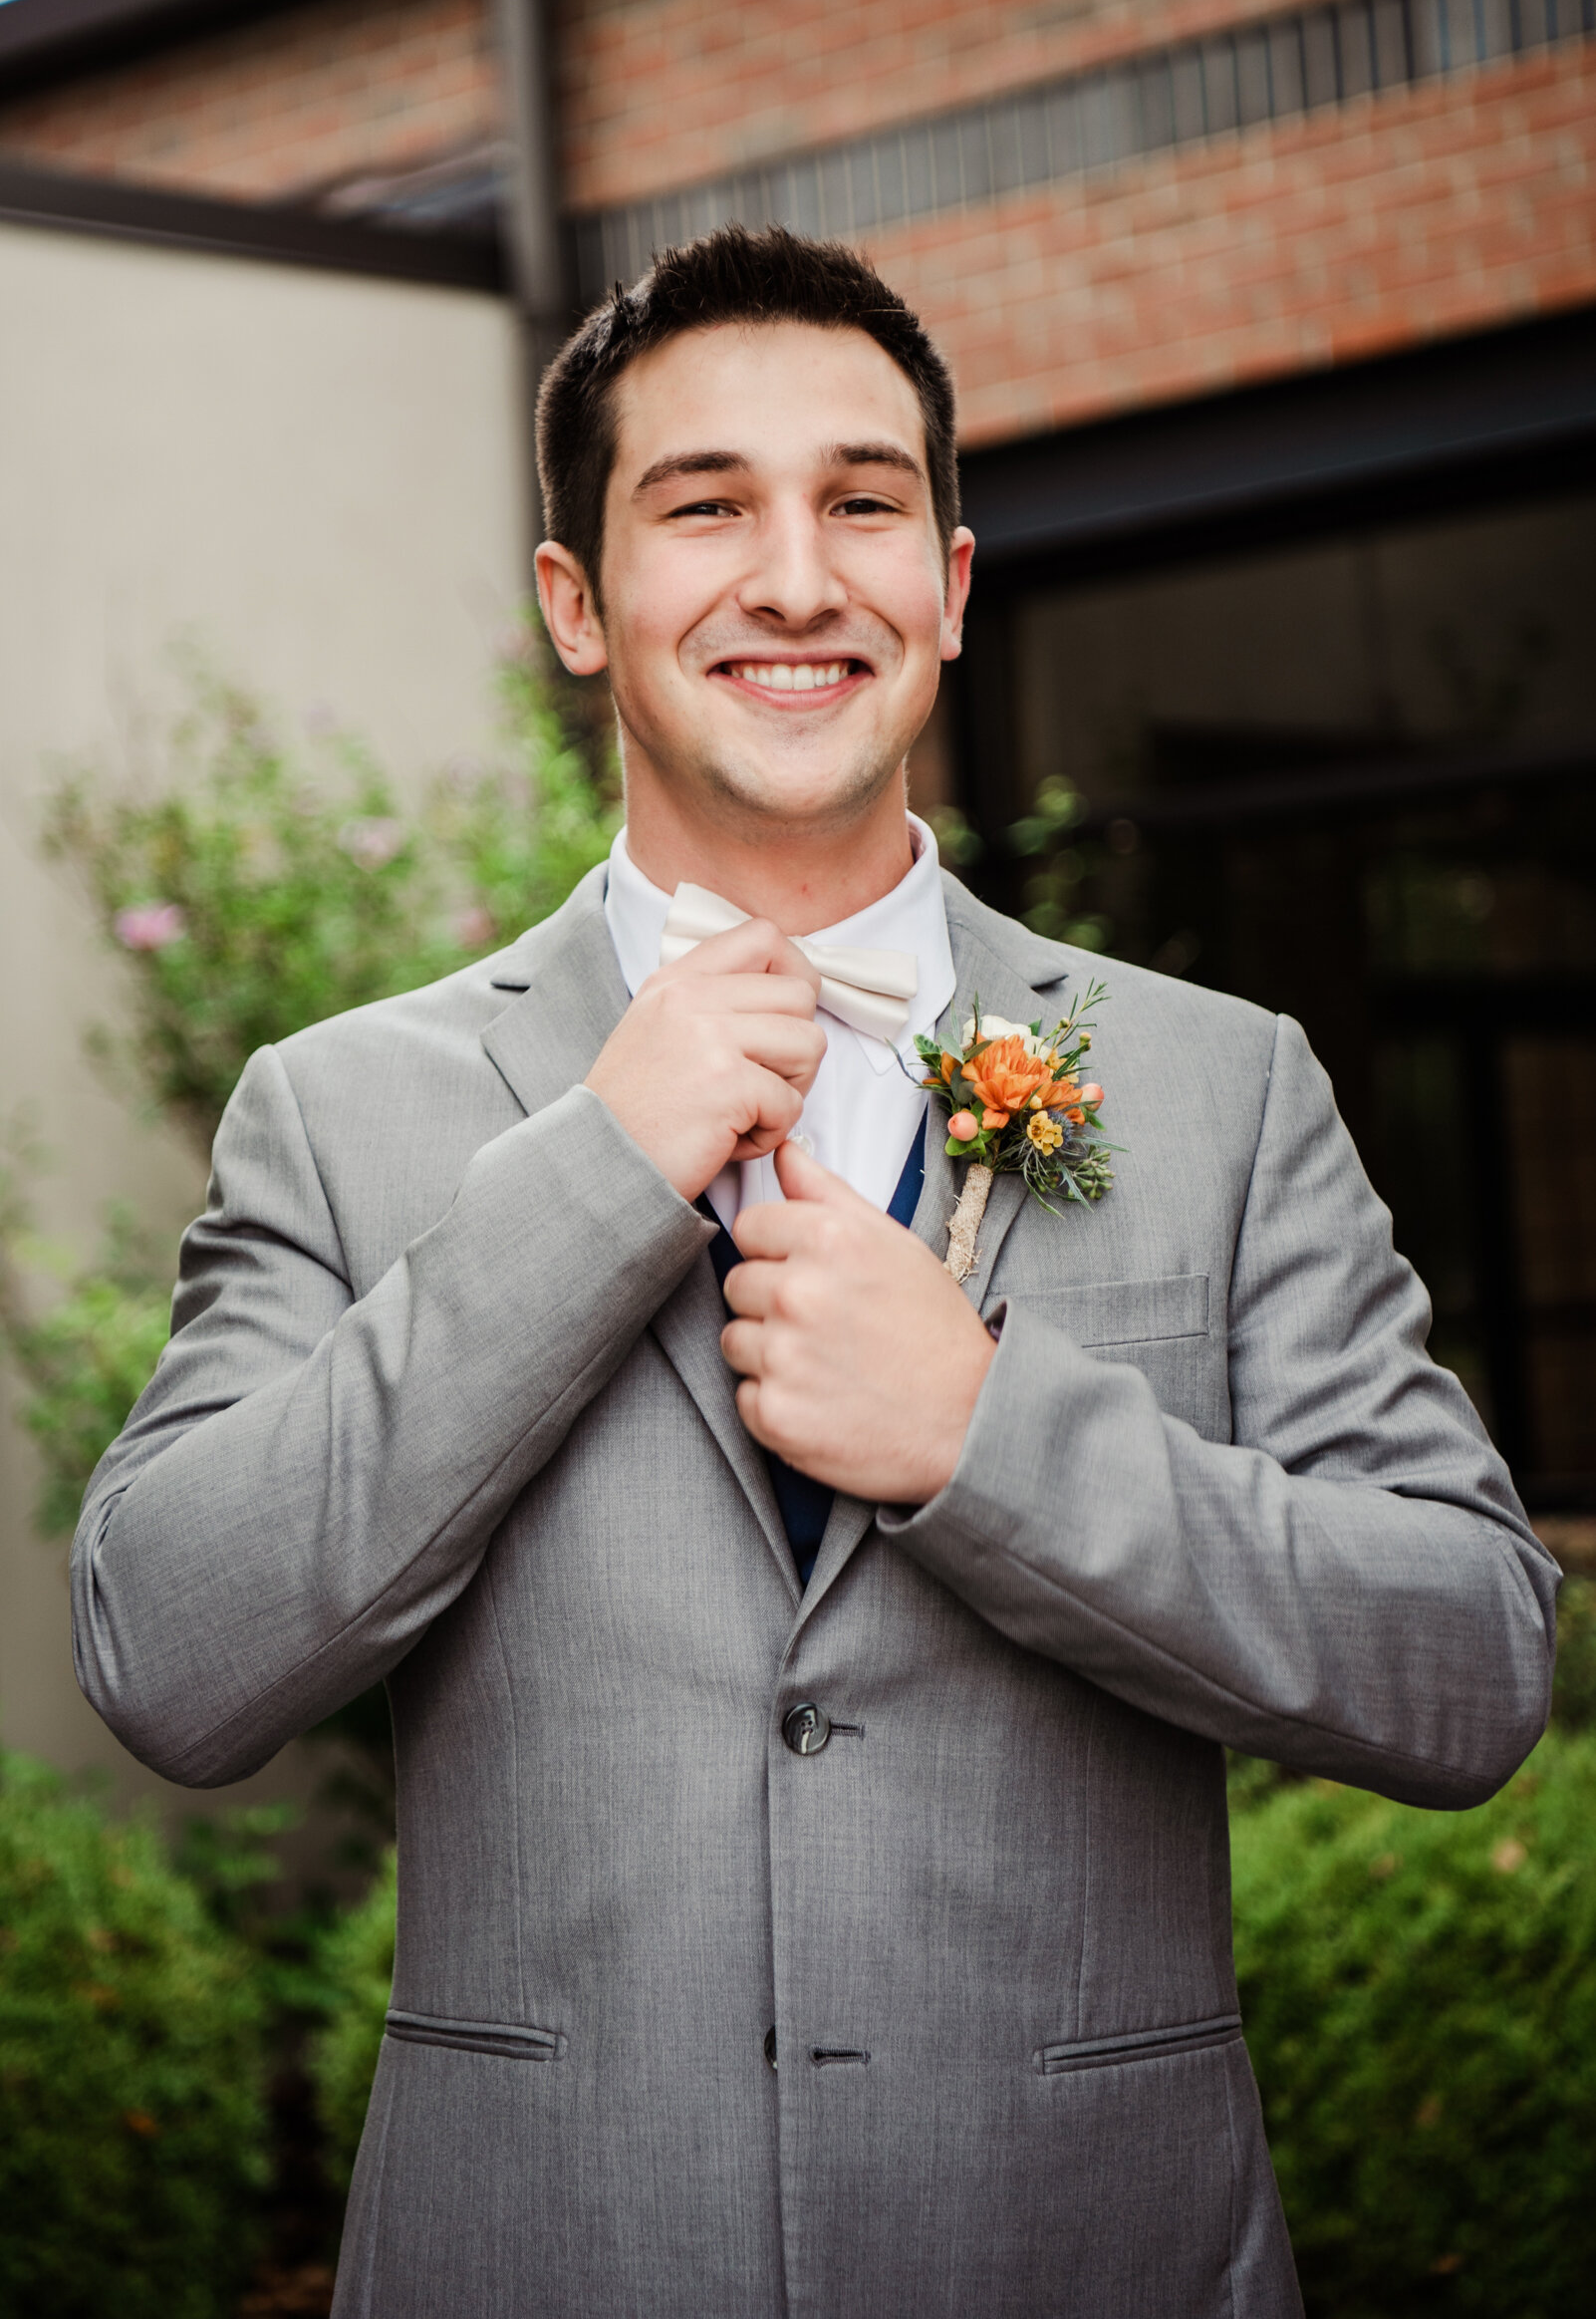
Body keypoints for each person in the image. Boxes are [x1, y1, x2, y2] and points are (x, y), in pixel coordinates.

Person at [73, 226, 1556, 2319]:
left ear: (949, 588)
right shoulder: (338, 1111)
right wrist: (591, 1178)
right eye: (705, 508)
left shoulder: (1227, 1090)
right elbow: (169, 1651)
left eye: (862, 503)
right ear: (578, 609)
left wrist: (989, 1437)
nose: (793, 578)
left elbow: (1473, 1658)